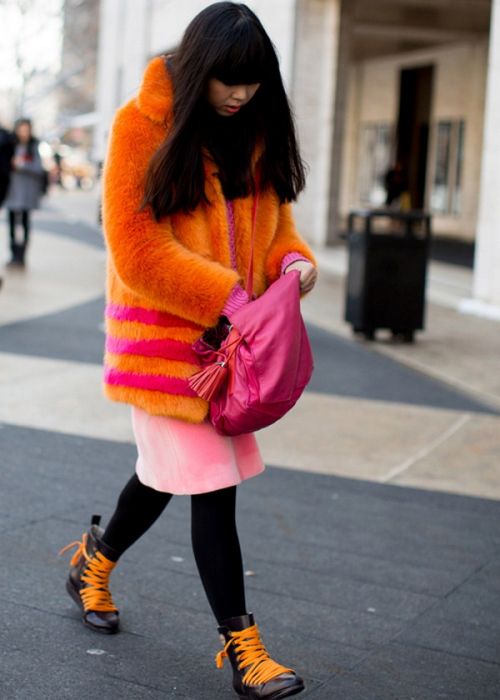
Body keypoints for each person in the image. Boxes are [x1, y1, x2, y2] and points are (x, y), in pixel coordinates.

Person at [60, 4, 317, 698]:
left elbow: (277, 226)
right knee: (213, 490)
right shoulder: (141, 124)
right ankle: (244, 652)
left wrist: (292, 262)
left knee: (163, 476)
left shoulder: (252, 132)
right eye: (229, 81)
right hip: (165, 348)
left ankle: (93, 562)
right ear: (200, 66)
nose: (240, 95)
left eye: (254, 82)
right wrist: (228, 297)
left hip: (228, 353)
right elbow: (136, 248)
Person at [4, 118, 45, 267]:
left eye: (26, 130)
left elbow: (38, 168)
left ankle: (22, 255)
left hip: (27, 193)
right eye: (21, 129)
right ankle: (13, 254)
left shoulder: (33, 147)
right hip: (12, 191)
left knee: (25, 223)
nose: (23, 133)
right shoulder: (10, 145)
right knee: (12, 224)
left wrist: (23, 165)